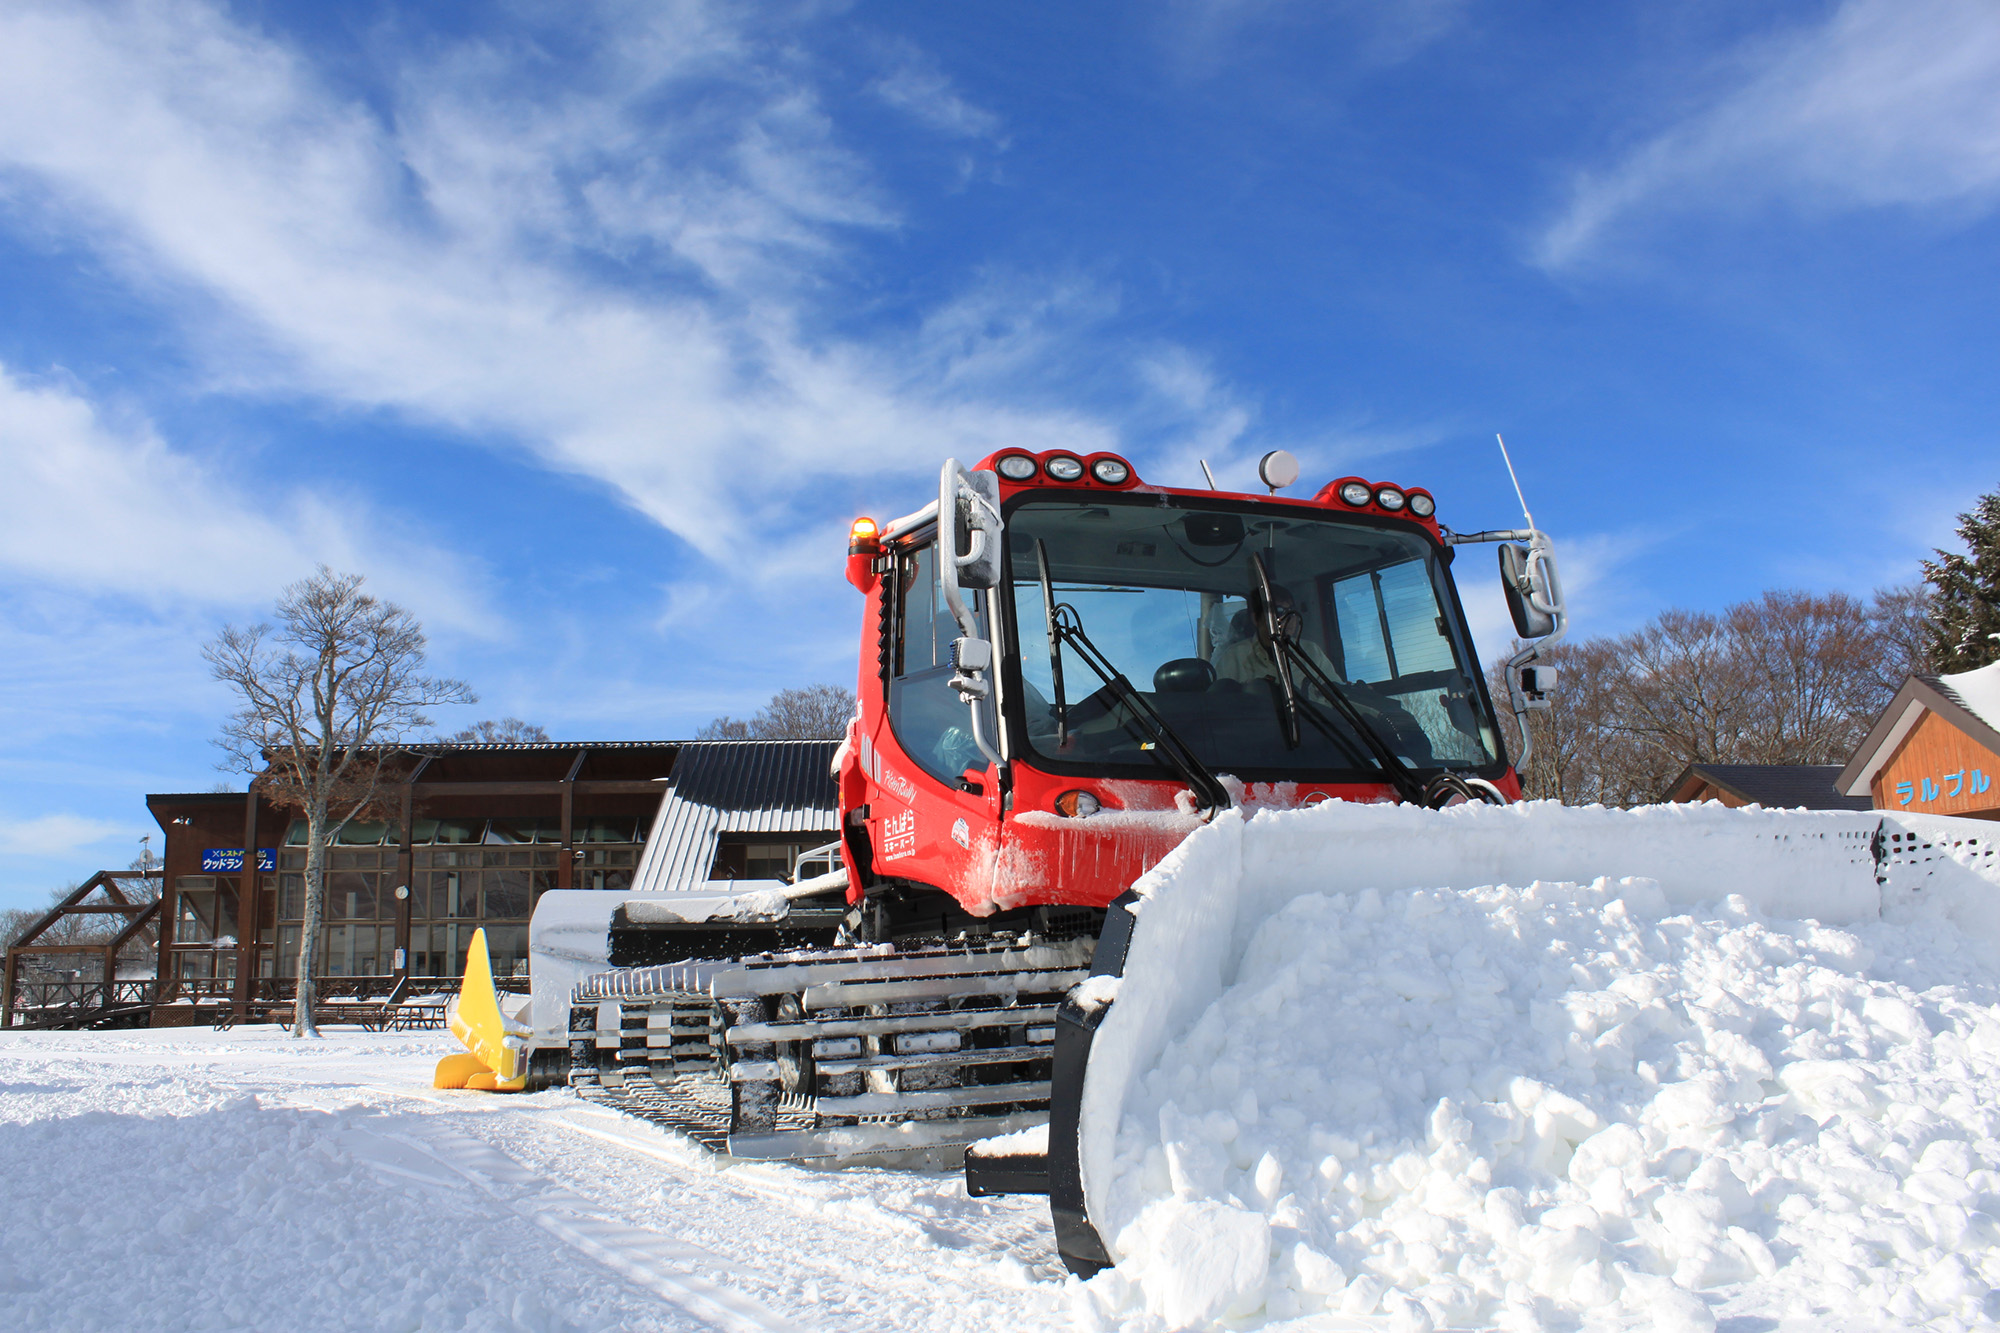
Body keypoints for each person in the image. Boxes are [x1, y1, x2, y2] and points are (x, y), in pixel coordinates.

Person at [1213, 585, 1345, 687]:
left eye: (1291, 611)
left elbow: (1338, 695)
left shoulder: (1311, 652)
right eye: (1279, 611)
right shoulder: (1234, 658)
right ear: (1256, 619)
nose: (1289, 618)